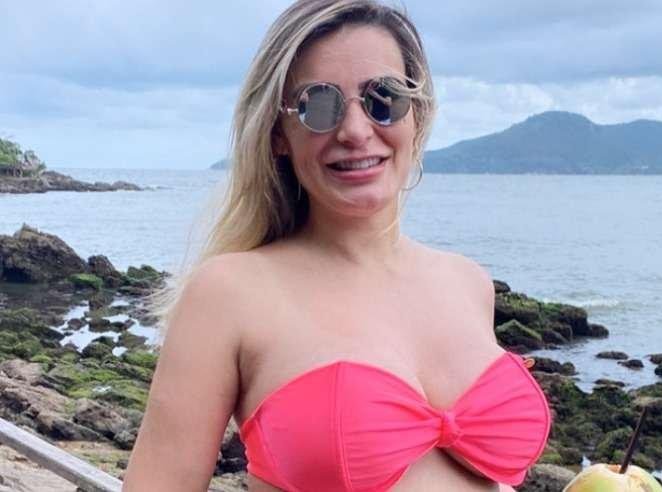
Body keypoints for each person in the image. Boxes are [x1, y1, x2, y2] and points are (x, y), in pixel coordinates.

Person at [123, 1, 550, 490]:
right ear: (278, 133)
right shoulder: (229, 293)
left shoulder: (468, 283)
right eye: (319, 105)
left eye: (384, 97)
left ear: (418, 112)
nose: (355, 131)